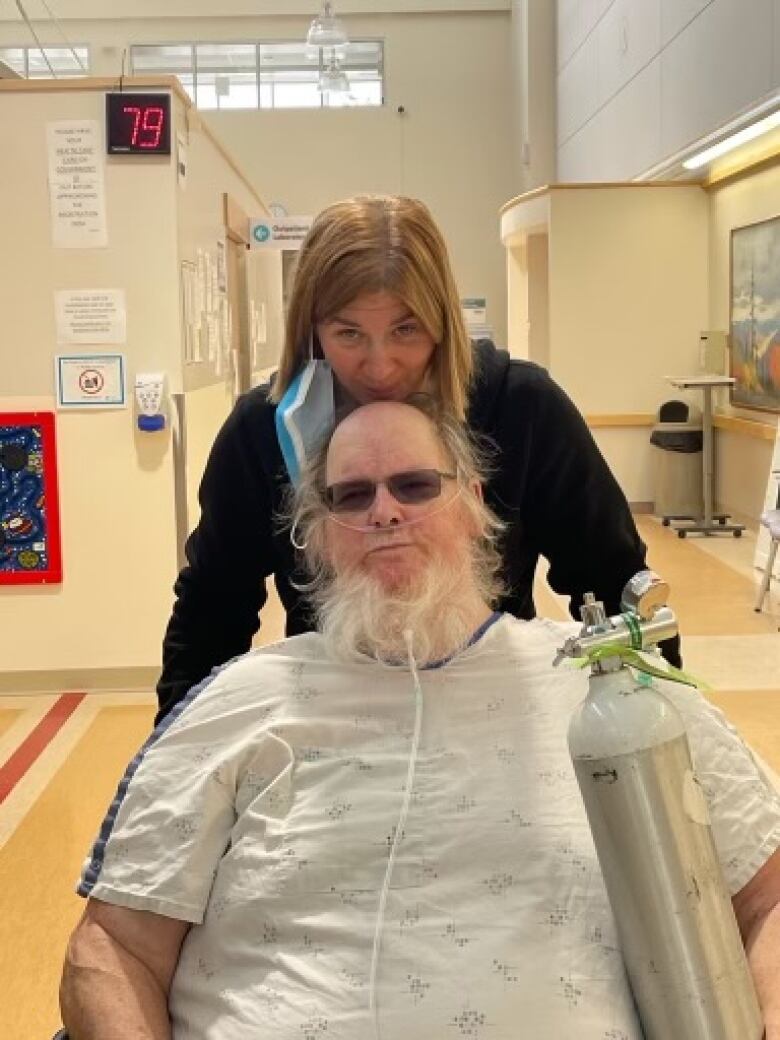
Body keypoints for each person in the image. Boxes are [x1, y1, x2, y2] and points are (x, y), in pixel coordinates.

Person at [62, 401, 780, 1039]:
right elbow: (112, 948)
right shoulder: (235, 704)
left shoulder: (613, 691)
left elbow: (769, 895)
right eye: (351, 495)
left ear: (473, 502)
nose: (384, 511)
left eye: (413, 485)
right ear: (316, 535)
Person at [156, 194, 680, 723]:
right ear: (311, 333)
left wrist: (663, 723)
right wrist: (174, 749)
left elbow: (615, 582)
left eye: (406, 330)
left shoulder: (522, 408)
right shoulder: (263, 431)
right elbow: (212, 607)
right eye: (348, 333)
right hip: (331, 713)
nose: (380, 367)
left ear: (443, 320)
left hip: (492, 706)